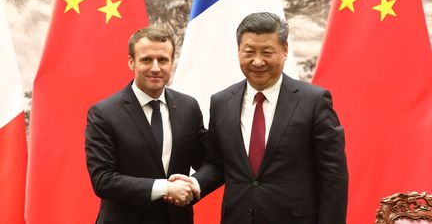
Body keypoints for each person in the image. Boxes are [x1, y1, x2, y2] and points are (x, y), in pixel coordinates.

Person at [170, 12, 348, 224]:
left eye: (266, 52)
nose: (257, 61)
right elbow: (218, 164)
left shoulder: (314, 101)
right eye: (249, 52)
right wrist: (194, 184)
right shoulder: (222, 102)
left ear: (284, 51)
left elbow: (333, 177)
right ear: (238, 52)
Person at [85, 26, 206, 224]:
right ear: (131, 62)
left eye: (163, 60)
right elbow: (103, 180)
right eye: (147, 60)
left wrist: (194, 184)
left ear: (172, 63)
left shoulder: (188, 107)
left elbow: (208, 160)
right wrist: (165, 188)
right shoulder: (103, 113)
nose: (156, 68)